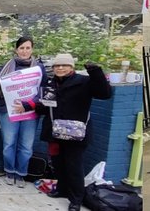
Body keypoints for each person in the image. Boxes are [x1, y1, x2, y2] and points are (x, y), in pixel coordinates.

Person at [20, 53, 111, 211]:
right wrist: (29, 106)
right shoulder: (50, 83)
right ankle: (61, 189)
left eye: (64, 65)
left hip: (75, 134)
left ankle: (76, 199)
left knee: (74, 166)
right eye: (57, 66)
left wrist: (95, 71)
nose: (60, 68)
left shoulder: (84, 82)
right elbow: (45, 105)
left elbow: (105, 93)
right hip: (55, 133)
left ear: (72, 67)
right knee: (58, 164)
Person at [0, 36, 45, 187]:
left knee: (26, 146)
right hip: (8, 111)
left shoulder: (39, 68)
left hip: (30, 112)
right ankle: (10, 171)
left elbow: (43, 91)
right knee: (9, 143)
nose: (24, 51)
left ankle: (21, 174)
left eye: (28, 48)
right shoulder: (5, 67)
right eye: (21, 48)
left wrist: (28, 105)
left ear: (32, 49)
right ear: (16, 50)